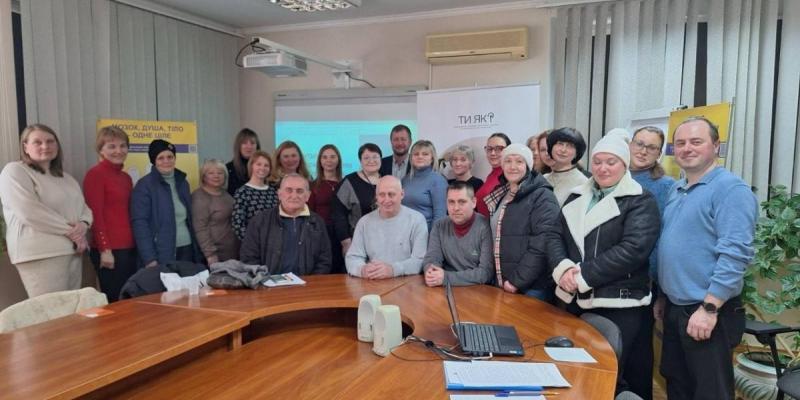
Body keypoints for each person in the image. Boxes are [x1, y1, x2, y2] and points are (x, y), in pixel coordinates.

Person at [552, 130, 661, 397]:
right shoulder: (576, 196)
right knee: (577, 375)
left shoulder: (640, 199)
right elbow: (554, 236)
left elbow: (633, 249)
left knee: (611, 377)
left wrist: (581, 275)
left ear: (624, 165)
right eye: (598, 161)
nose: (603, 168)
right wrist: (563, 269)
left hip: (619, 304)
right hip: (574, 299)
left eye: (611, 162)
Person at [656, 117, 757, 400]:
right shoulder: (677, 189)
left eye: (696, 141)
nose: (686, 148)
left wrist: (710, 308)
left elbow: (735, 254)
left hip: (708, 310)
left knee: (710, 392)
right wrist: (663, 297)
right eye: (680, 143)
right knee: (677, 384)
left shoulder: (731, 190)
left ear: (716, 146)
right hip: (676, 307)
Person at [0, 124, 93, 297]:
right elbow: (29, 212)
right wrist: (73, 232)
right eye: (38, 142)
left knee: (72, 308)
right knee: (51, 308)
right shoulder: (15, 171)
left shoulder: (66, 178)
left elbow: (84, 209)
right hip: (41, 253)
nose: (45, 146)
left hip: (72, 250)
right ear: (25, 147)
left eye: (50, 141)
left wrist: (83, 224)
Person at [626, 125, 675, 400]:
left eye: (652, 147)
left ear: (659, 153)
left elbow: (663, 237)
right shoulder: (612, 174)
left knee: (638, 353)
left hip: (644, 280)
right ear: (630, 144)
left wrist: (657, 285)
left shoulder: (665, 186)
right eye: (639, 143)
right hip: (608, 277)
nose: (643, 151)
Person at [484, 143, 566, 301]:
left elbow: (543, 242)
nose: (512, 166)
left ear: (528, 166)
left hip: (531, 287)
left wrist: (517, 281)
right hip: (503, 282)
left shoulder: (542, 195)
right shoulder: (502, 194)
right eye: (508, 161)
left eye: (519, 161)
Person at [83, 126, 137, 302]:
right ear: (101, 150)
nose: (118, 151)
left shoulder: (126, 178)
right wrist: (105, 249)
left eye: (123, 146)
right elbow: (95, 214)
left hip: (130, 248)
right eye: (112, 146)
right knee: (115, 301)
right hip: (110, 251)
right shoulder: (95, 175)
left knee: (130, 300)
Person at [240, 173, 331, 275]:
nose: (294, 196)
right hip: (268, 282)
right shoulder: (260, 221)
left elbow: (325, 259)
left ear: (308, 196)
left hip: (308, 283)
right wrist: (263, 280)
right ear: (279, 194)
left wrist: (312, 282)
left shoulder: (317, 222)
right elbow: (249, 258)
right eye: (289, 190)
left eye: (299, 191)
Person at [131, 139, 201, 267]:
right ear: (154, 161)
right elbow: (140, 224)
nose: (166, 161)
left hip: (187, 248)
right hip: (161, 253)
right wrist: (149, 258)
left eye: (170, 157)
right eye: (161, 158)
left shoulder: (183, 183)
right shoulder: (144, 186)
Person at [345, 176, 428, 279]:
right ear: (376, 196)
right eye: (382, 195)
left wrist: (392, 270)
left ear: (402, 194)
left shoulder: (417, 220)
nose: (386, 199)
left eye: (391, 194)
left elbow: (420, 261)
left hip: (406, 282)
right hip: (373, 282)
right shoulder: (364, 222)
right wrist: (362, 270)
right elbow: (352, 258)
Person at [422, 181, 493, 287]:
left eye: (462, 202)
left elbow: (486, 272)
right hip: (443, 288)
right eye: (451, 202)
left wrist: (446, 277)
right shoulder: (439, 226)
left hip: (477, 289)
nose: (456, 208)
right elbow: (432, 258)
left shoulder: (485, 226)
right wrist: (431, 272)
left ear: (473, 202)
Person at [331, 143, 381, 258]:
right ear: (360, 161)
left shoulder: (387, 180)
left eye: (375, 157)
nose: (371, 161)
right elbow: (338, 213)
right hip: (357, 242)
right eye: (366, 158)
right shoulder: (349, 181)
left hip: (383, 241)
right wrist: (346, 242)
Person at [191, 159, 240, 265]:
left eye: (220, 173)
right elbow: (200, 228)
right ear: (203, 176)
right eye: (211, 173)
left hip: (231, 252)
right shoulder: (199, 197)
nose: (216, 176)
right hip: (214, 256)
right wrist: (210, 255)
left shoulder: (226, 195)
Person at [308, 144, 344, 273]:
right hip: (321, 234)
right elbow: (309, 213)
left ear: (338, 160)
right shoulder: (312, 186)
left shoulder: (346, 183)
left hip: (341, 235)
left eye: (333, 157)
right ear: (320, 161)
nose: (329, 160)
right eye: (325, 157)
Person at [401, 140, 448, 231]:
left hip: (426, 233)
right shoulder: (405, 180)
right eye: (416, 154)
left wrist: (434, 237)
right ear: (411, 158)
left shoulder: (438, 180)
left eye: (425, 154)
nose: (420, 157)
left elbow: (440, 215)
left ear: (432, 158)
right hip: (405, 232)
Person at [232, 150, 278, 240]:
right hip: (253, 243)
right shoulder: (242, 192)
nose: (262, 168)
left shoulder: (273, 192)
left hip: (273, 242)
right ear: (251, 166)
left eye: (266, 165)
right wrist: (252, 243)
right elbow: (237, 224)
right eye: (258, 164)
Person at [545, 127, 590, 206]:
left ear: (577, 153)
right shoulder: (543, 178)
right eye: (560, 144)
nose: (563, 150)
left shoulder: (583, 183)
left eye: (570, 146)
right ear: (551, 147)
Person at [475, 132, 511, 217]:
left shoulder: (510, 176)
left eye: (499, 149)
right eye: (489, 149)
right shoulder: (491, 175)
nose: (493, 153)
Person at [226, 128, 261, 196]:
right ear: (238, 146)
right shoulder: (228, 169)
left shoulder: (263, 168)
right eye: (244, 143)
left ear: (257, 147)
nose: (249, 147)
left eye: (252, 143)